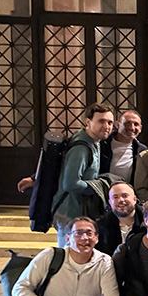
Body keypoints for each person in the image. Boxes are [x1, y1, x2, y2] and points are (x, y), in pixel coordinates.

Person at [53, 103, 115, 244]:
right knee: (70, 256)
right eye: (101, 121)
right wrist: (97, 187)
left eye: (110, 122)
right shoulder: (81, 147)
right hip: (70, 212)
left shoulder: (94, 142)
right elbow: (71, 183)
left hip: (78, 210)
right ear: (88, 122)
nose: (106, 126)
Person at [97, 182, 143, 256]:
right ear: (110, 202)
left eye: (125, 196)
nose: (120, 200)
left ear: (134, 199)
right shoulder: (101, 227)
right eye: (115, 197)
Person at [100, 110, 147, 184]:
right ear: (117, 125)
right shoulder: (101, 145)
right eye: (127, 123)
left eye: (136, 124)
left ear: (140, 128)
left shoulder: (142, 150)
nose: (132, 128)